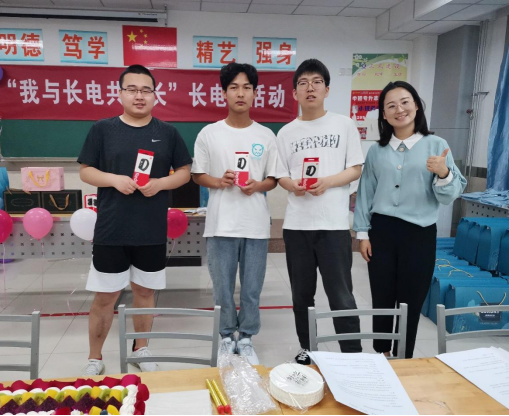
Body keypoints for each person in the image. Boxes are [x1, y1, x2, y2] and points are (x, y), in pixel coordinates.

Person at [78, 65, 193, 375]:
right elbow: (86, 171)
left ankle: (141, 348)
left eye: (146, 90)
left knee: (145, 293)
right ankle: (94, 358)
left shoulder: (167, 133)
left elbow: (184, 172)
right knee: (105, 296)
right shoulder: (102, 129)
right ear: (120, 94)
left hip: (151, 230)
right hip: (111, 229)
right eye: (132, 89)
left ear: (155, 96)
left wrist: (160, 183)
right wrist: (114, 180)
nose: (139, 96)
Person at [354, 81, 467, 359]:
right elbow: (366, 192)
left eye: (405, 102)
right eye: (391, 106)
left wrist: (443, 173)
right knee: (382, 297)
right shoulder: (377, 150)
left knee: (411, 299)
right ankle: (381, 353)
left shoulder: (437, 145)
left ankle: (403, 358)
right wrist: (362, 233)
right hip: (381, 231)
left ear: (416, 105)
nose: (399, 109)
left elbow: (448, 196)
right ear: (383, 114)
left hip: (419, 233)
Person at [276, 59, 364, 365]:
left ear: (327, 89)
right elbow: (280, 174)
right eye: (303, 83)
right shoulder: (286, 132)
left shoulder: (344, 125)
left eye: (316, 82)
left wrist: (327, 182)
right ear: (294, 93)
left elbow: (355, 168)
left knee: (341, 294)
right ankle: (308, 347)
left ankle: (352, 354)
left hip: (334, 225)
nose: (310, 88)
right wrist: (293, 185)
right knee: (302, 295)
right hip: (297, 226)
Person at [192, 63, 278, 365]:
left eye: (246, 87)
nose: (240, 93)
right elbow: (197, 174)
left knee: (252, 289)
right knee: (223, 289)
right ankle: (227, 337)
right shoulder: (209, 133)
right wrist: (219, 181)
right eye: (234, 87)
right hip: (220, 224)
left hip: (255, 224)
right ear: (224, 93)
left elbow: (273, 178)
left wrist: (258, 186)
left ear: (255, 93)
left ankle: (247, 338)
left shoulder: (266, 135)